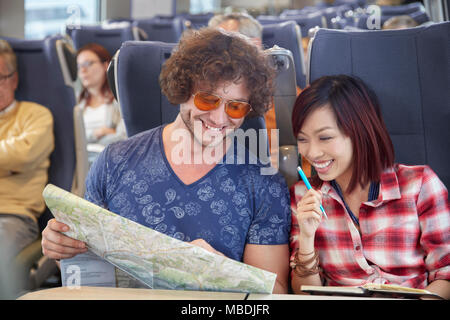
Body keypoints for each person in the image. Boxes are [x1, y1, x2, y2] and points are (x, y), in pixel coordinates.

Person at [42, 28, 291, 293]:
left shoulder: (263, 183)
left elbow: (274, 293)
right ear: (183, 89)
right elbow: (85, 269)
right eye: (208, 99)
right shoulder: (114, 162)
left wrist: (220, 269)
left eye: (236, 106)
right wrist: (61, 249)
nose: (220, 119)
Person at [289, 75, 450, 299]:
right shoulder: (302, 196)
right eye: (303, 139)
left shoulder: (420, 185)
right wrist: (307, 238)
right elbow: (304, 292)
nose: (312, 153)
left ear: (360, 132)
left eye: (325, 137)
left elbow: (445, 274)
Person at [208, 12, 311, 175]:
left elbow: (312, 153)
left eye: (225, 47)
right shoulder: (202, 98)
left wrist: (286, 160)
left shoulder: (286, 98)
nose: (217, 58)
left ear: (255, 45)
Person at [0, 40, 54, 277]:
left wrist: (14, 162)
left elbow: (23, 155)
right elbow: (12, 156)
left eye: (0, 77)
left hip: (13, 217)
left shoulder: (36, 115)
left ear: (14, 79)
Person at [76, 43, 126, 150]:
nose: (82, 70)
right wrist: (97, 134)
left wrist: (86, 141)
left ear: (105, 65)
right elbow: (72, 141)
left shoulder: (119, 100)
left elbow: (123, 138)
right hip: (82, 161)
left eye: (88, 63)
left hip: (107, 157)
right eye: (79, 66)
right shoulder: (76, 103)